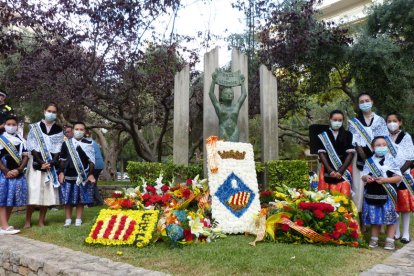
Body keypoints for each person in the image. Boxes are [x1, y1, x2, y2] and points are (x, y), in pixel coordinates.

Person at [348, 93, 388, 222]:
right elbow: (355, 142)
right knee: (358, 190)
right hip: (359, 160)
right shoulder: (354, 122)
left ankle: (378, 223)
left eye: (367, 100)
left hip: (378, 159)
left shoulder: (380, 120)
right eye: (361, 101)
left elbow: (382, 140)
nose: (364, 103)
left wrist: (374, 159)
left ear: (372, 101)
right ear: (359, 105)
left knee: (378, 187)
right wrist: (365, 159)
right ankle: (359, 222)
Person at [25, 102, 64, 228]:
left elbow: (58, 148)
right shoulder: (35, 127)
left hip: (50, 166)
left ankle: (41, 220)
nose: (51, 113)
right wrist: (41, 162)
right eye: (49, 111)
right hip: (36, 164)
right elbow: (31, 146)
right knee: (33, 191)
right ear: (44, 111)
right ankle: (27, 221)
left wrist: (51, 162)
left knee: (47, 193)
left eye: (54, 112)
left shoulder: (58, 129)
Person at [361, 136, 402, 250]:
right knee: (375, 217)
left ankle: (389, 240)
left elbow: (398, 177)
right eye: (378, 145)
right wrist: (366, 177)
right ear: (373, 148)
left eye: (384, 145)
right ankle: (374, 239)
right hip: (372, 193)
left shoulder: (391, 160)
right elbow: (363, 176)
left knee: (390, 217)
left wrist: (385, 180)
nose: (382, 147)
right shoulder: (369, 161)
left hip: (388, 193)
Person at [59, 122, 95, 226]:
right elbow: (62, 159)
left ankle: (78, 219)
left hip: (82, 175)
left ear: (85, 131)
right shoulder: (66, 143)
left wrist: (91, 174)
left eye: (81, 129)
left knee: (80, 199)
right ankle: (68, 219)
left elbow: (91, 161)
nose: (79, 131)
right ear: (73, 130)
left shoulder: (89, 144)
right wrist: (61, 172)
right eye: (77, 129)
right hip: (68, 174)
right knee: (68, 198)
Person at [385, 113, 414, 243]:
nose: (392, 123)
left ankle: (405, 233)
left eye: (394, 121)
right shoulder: (384, 138)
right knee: (394, 203)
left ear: (400, 122)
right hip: (389, 175)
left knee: (405, 205)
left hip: (403, 175)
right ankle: (395, 232)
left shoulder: (406, 137)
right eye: (389, 121)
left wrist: (399, 173)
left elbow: (409, 158)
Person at [0, 116, 29, 234]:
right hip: (3, 174)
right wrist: (6, 171)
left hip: (17, 174)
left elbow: (25, 156)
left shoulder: (22, 140)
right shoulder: (1, 139)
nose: (11, 126)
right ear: (4, 125)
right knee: (2, 200)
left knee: (11, 200)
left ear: (17, 126)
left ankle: (3, 225)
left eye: (13, 124)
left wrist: (19, 169)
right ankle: (5, 226)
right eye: (8, 124)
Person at [316, 110, 355, 196]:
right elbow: (322, 153)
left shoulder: (348, 135)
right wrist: (330, 170)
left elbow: (350, 153)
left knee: (343, 197)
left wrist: (340, 171)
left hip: (344, 168)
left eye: (340, 120)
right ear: (330, 119)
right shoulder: (323, 135)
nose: (337, 122)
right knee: (326, 196)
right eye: (335, 120)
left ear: (343, 121)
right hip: (327, 167)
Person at [86, 132, 104, 206]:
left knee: (90, 183)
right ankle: (98, 201)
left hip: (94, 165)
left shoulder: (86, 142)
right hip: (100, 164)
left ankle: (91, 202)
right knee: (94, 183)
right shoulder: (94, 142)